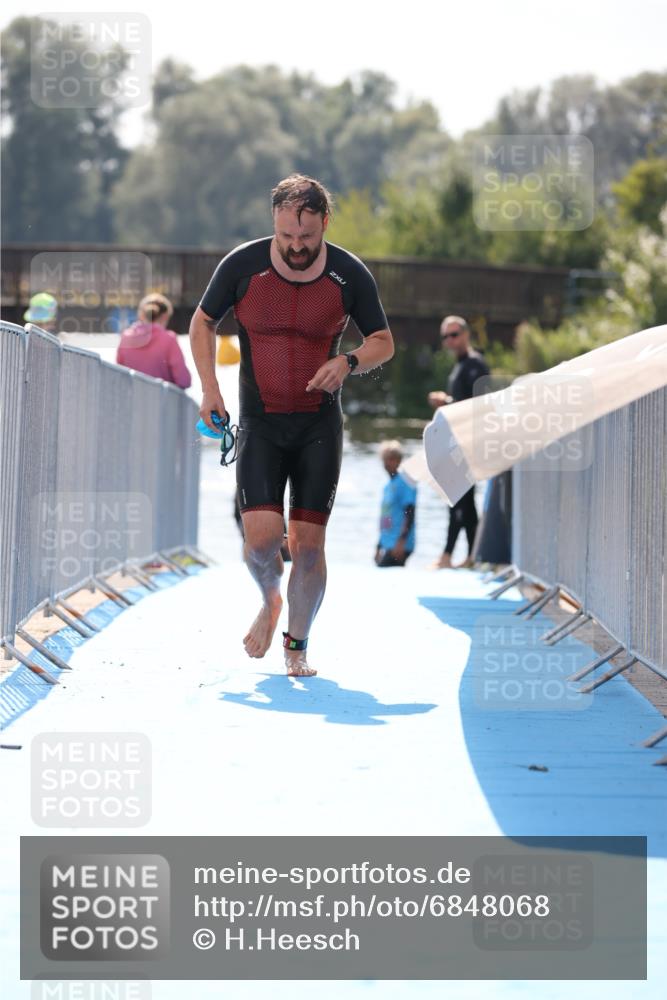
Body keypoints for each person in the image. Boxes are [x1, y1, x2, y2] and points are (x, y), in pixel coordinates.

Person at [189, 174, 394, 676]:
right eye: (286, 237)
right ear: (274, 225)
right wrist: (210, 389)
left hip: (318, 426)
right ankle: (269, 599)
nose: (296, 247)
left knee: (308, 547)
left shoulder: (349, 274)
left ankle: (297, 646)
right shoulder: (243, 266)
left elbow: (383, 342)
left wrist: (347, 362)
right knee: (260, 542)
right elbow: (202, 322)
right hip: (260, 422)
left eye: (306, 237)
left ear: (325, 222)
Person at [427, 315, 489, 569]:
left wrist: (447, 403)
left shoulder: (475, 364)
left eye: (454, 335)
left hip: (469, 442)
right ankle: (472, 555)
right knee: (463, 500)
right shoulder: (461, 366)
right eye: (445, 336)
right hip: (457, 443)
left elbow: (480, 404)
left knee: (459, 499)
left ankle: (448, 555)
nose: (450, 340)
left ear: (465, 335)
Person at [116, 293, 192, 389]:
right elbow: (183, 381)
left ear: (141, 315)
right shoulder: (169, 339)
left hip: (130, 399)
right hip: (161, 401)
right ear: (165, 317)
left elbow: (119, 372)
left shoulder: (125, 337)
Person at [375, 441, 416, 568]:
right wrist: (379, 546)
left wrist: (402, 541)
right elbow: (385, 517)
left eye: (391, 459)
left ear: (398, 460)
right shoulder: (388, 486)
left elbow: (409, 512)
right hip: (387, 542)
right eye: (385, 459)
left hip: (399, 543)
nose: (387, 463)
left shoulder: (406, 482)